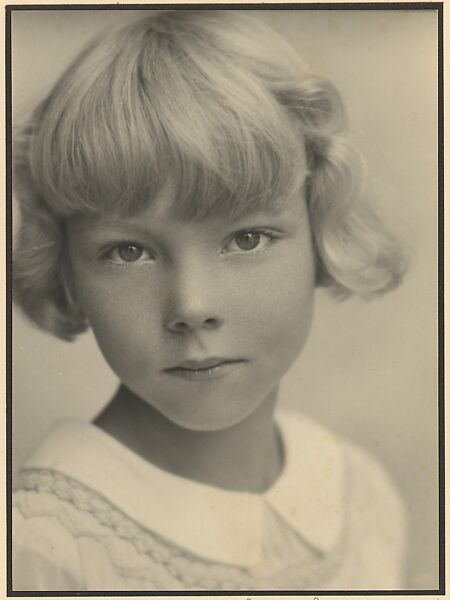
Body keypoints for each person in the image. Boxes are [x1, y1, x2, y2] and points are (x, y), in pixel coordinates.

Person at [12, 10, 407, 591]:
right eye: (127, 251)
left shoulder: (358, 492)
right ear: (67, 271)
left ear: (320, 231)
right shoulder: (39, 550)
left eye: (246, 239)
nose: (192, 306)